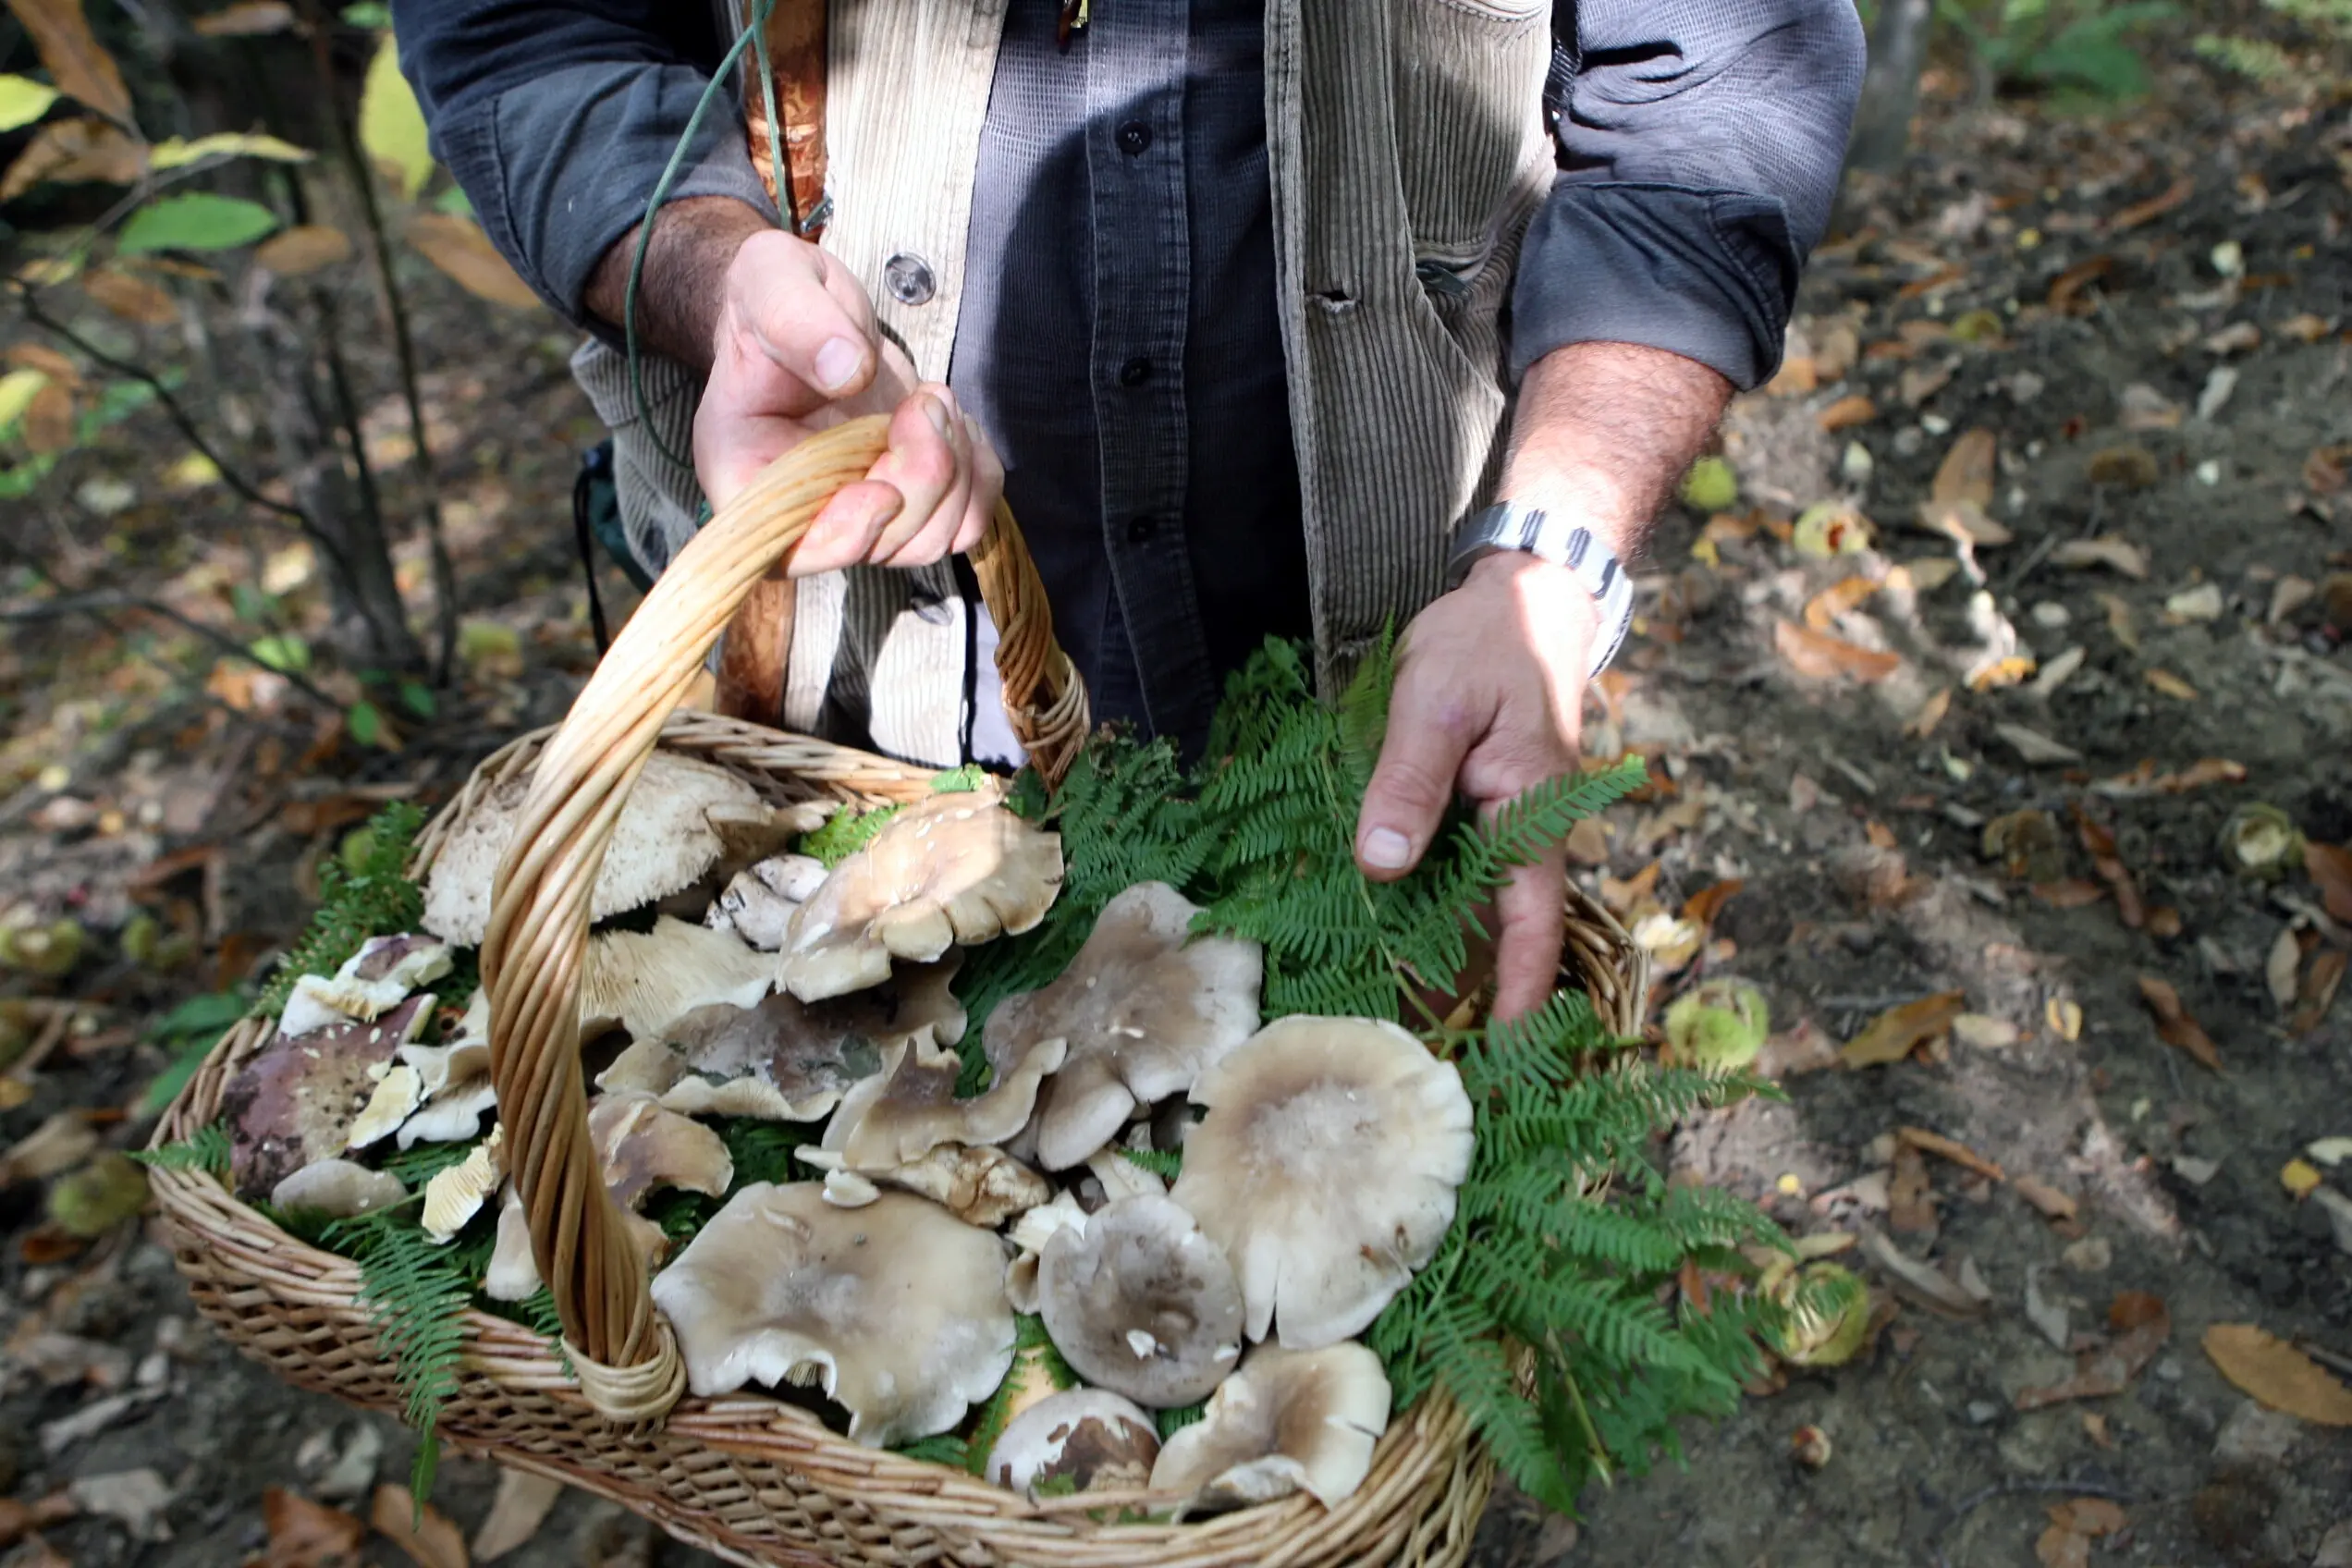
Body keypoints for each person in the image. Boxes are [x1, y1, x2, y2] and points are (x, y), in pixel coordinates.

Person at [395, 0, 1864, 1014]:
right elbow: (529, 36)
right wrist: (715, 279)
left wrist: (1549, 563)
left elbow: (1715, 87)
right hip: (864, 677)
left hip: (1394, 668)